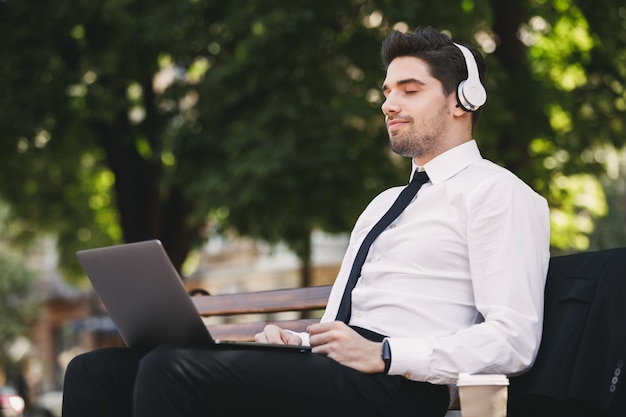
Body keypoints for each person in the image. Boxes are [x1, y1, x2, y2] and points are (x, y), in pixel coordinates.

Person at [62, 26, 550, 417]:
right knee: (95, 370)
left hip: (400, 390)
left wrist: (386, 356)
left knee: (172, 369)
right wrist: (296, 339)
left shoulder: (499, 194)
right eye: (386, 91)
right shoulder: (383, 204)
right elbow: (341, 321)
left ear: (463, 99)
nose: (388, 104)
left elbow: (513, 340)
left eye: (410, 89)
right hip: (335, 373)